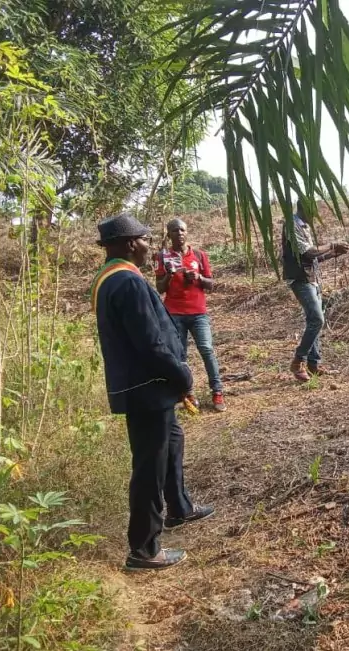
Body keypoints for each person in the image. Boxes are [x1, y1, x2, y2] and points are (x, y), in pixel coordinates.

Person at [92, 213, 214, 571]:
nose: (150, 246)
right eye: (145, 239)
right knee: (149, 466)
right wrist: (183, 376)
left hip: (143, 388)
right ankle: (143, 550)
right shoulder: (127, 283)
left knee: (172, 442)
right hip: (148, 390)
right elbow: (151, 344)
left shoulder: (109, 278)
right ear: (131, 243)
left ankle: (179, 508)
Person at [154, 218, 225, 412]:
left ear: (187, 232)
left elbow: (210, 284)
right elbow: (159, 288)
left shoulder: (199, 255)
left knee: (207, 350)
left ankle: (217, 391)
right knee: (180, 355)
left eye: (182, 230)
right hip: (174, 313)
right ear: (169, 234)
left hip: (198, 313)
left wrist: (198, 277)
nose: (180, 233)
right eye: (175, 230)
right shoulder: (163, 257)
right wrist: (169, 274)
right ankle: (187, 393)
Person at [281, 200, 349, 382]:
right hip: (300, 278)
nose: (317, 216)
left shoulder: (304, 226)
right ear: (305, 209)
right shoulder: (292, 225)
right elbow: (309, 253)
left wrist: (333, 254)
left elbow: (313, 258)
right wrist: (332, 245)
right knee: (317, 319)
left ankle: (313, 364)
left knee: (314, 320)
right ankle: (298, 361)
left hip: (311, 278)